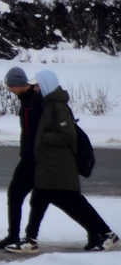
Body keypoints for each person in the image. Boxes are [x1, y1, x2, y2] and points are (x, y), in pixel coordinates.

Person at [6, 70, 119, 253]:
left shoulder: (58, 107)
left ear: (47, 85)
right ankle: (30, 240)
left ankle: (106, 234)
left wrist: (43, 138)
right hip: (50, 165)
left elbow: (68, 135)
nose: (36, 88)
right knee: (42, 199)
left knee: (72, 202)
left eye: (39, 85)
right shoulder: (48, 105)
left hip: (59, 166)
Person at [0, 67, 41, 250]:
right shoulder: (28, 99)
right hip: (30, 158)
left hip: (34, 160)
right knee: (20, 195)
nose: (10, 89)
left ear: (19, 84)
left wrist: (32, 153)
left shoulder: (34, 101)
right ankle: (16, 236)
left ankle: (19, 237)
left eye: (11, 86)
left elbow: (36, 131)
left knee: (60, 198)